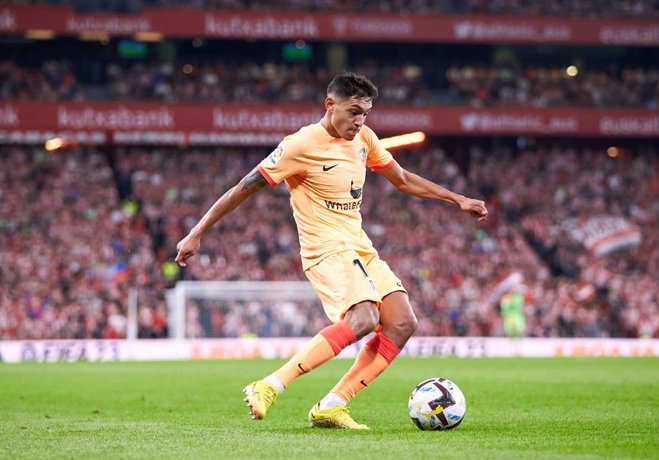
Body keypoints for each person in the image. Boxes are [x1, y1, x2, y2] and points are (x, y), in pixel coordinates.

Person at [175, 72, 488, 430]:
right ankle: (270, 385)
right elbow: (243, 187)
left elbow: (401, 179)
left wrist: (457, 198)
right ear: (330, 105)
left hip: (359, 246)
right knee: (365, 318)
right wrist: (196, 233)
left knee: (402, 322)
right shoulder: (301, 144)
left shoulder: (365, 139)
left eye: (366, 113)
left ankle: (332, 404)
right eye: (354, 111)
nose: (360, 121)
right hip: (325, 248)